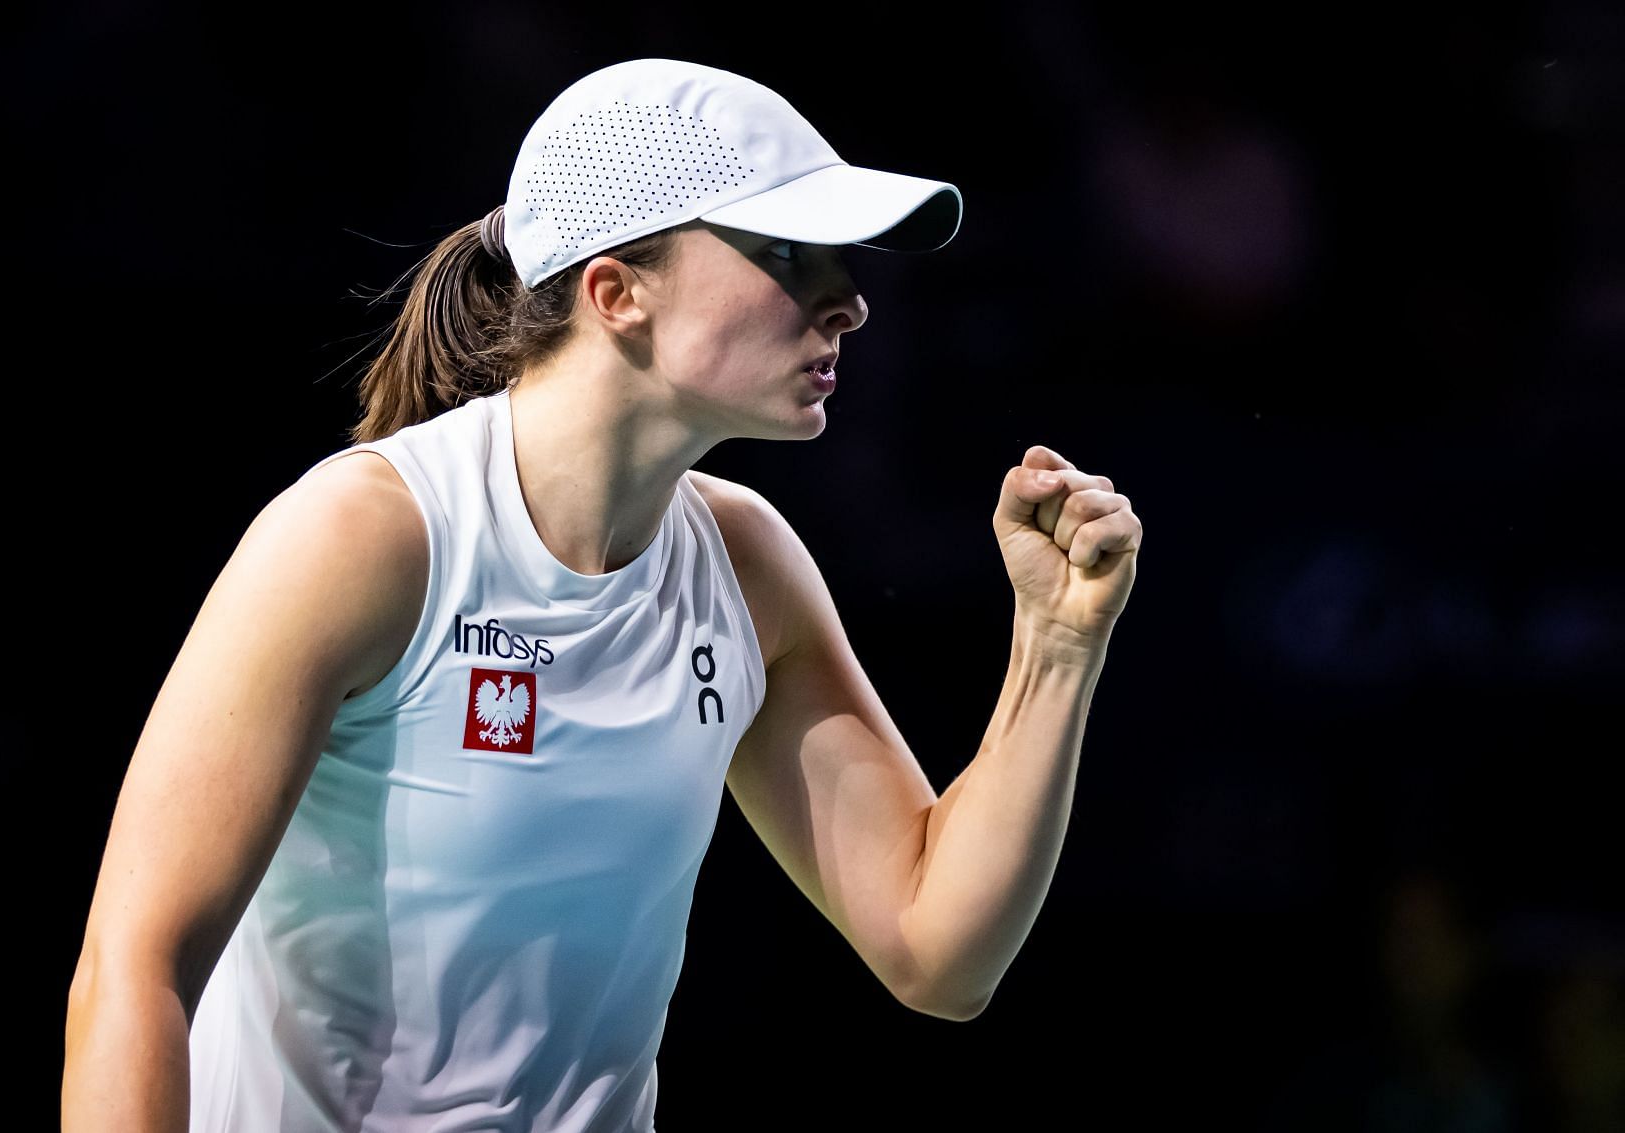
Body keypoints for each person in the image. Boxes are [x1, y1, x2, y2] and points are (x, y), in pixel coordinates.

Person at [63, 57, 1141, 1133]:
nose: (849, 300)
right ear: (618, 293)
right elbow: (134, 969)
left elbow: (935, 948)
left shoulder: (745, 563)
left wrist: (1055, 642)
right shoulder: (366, 538)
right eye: (783, 253)